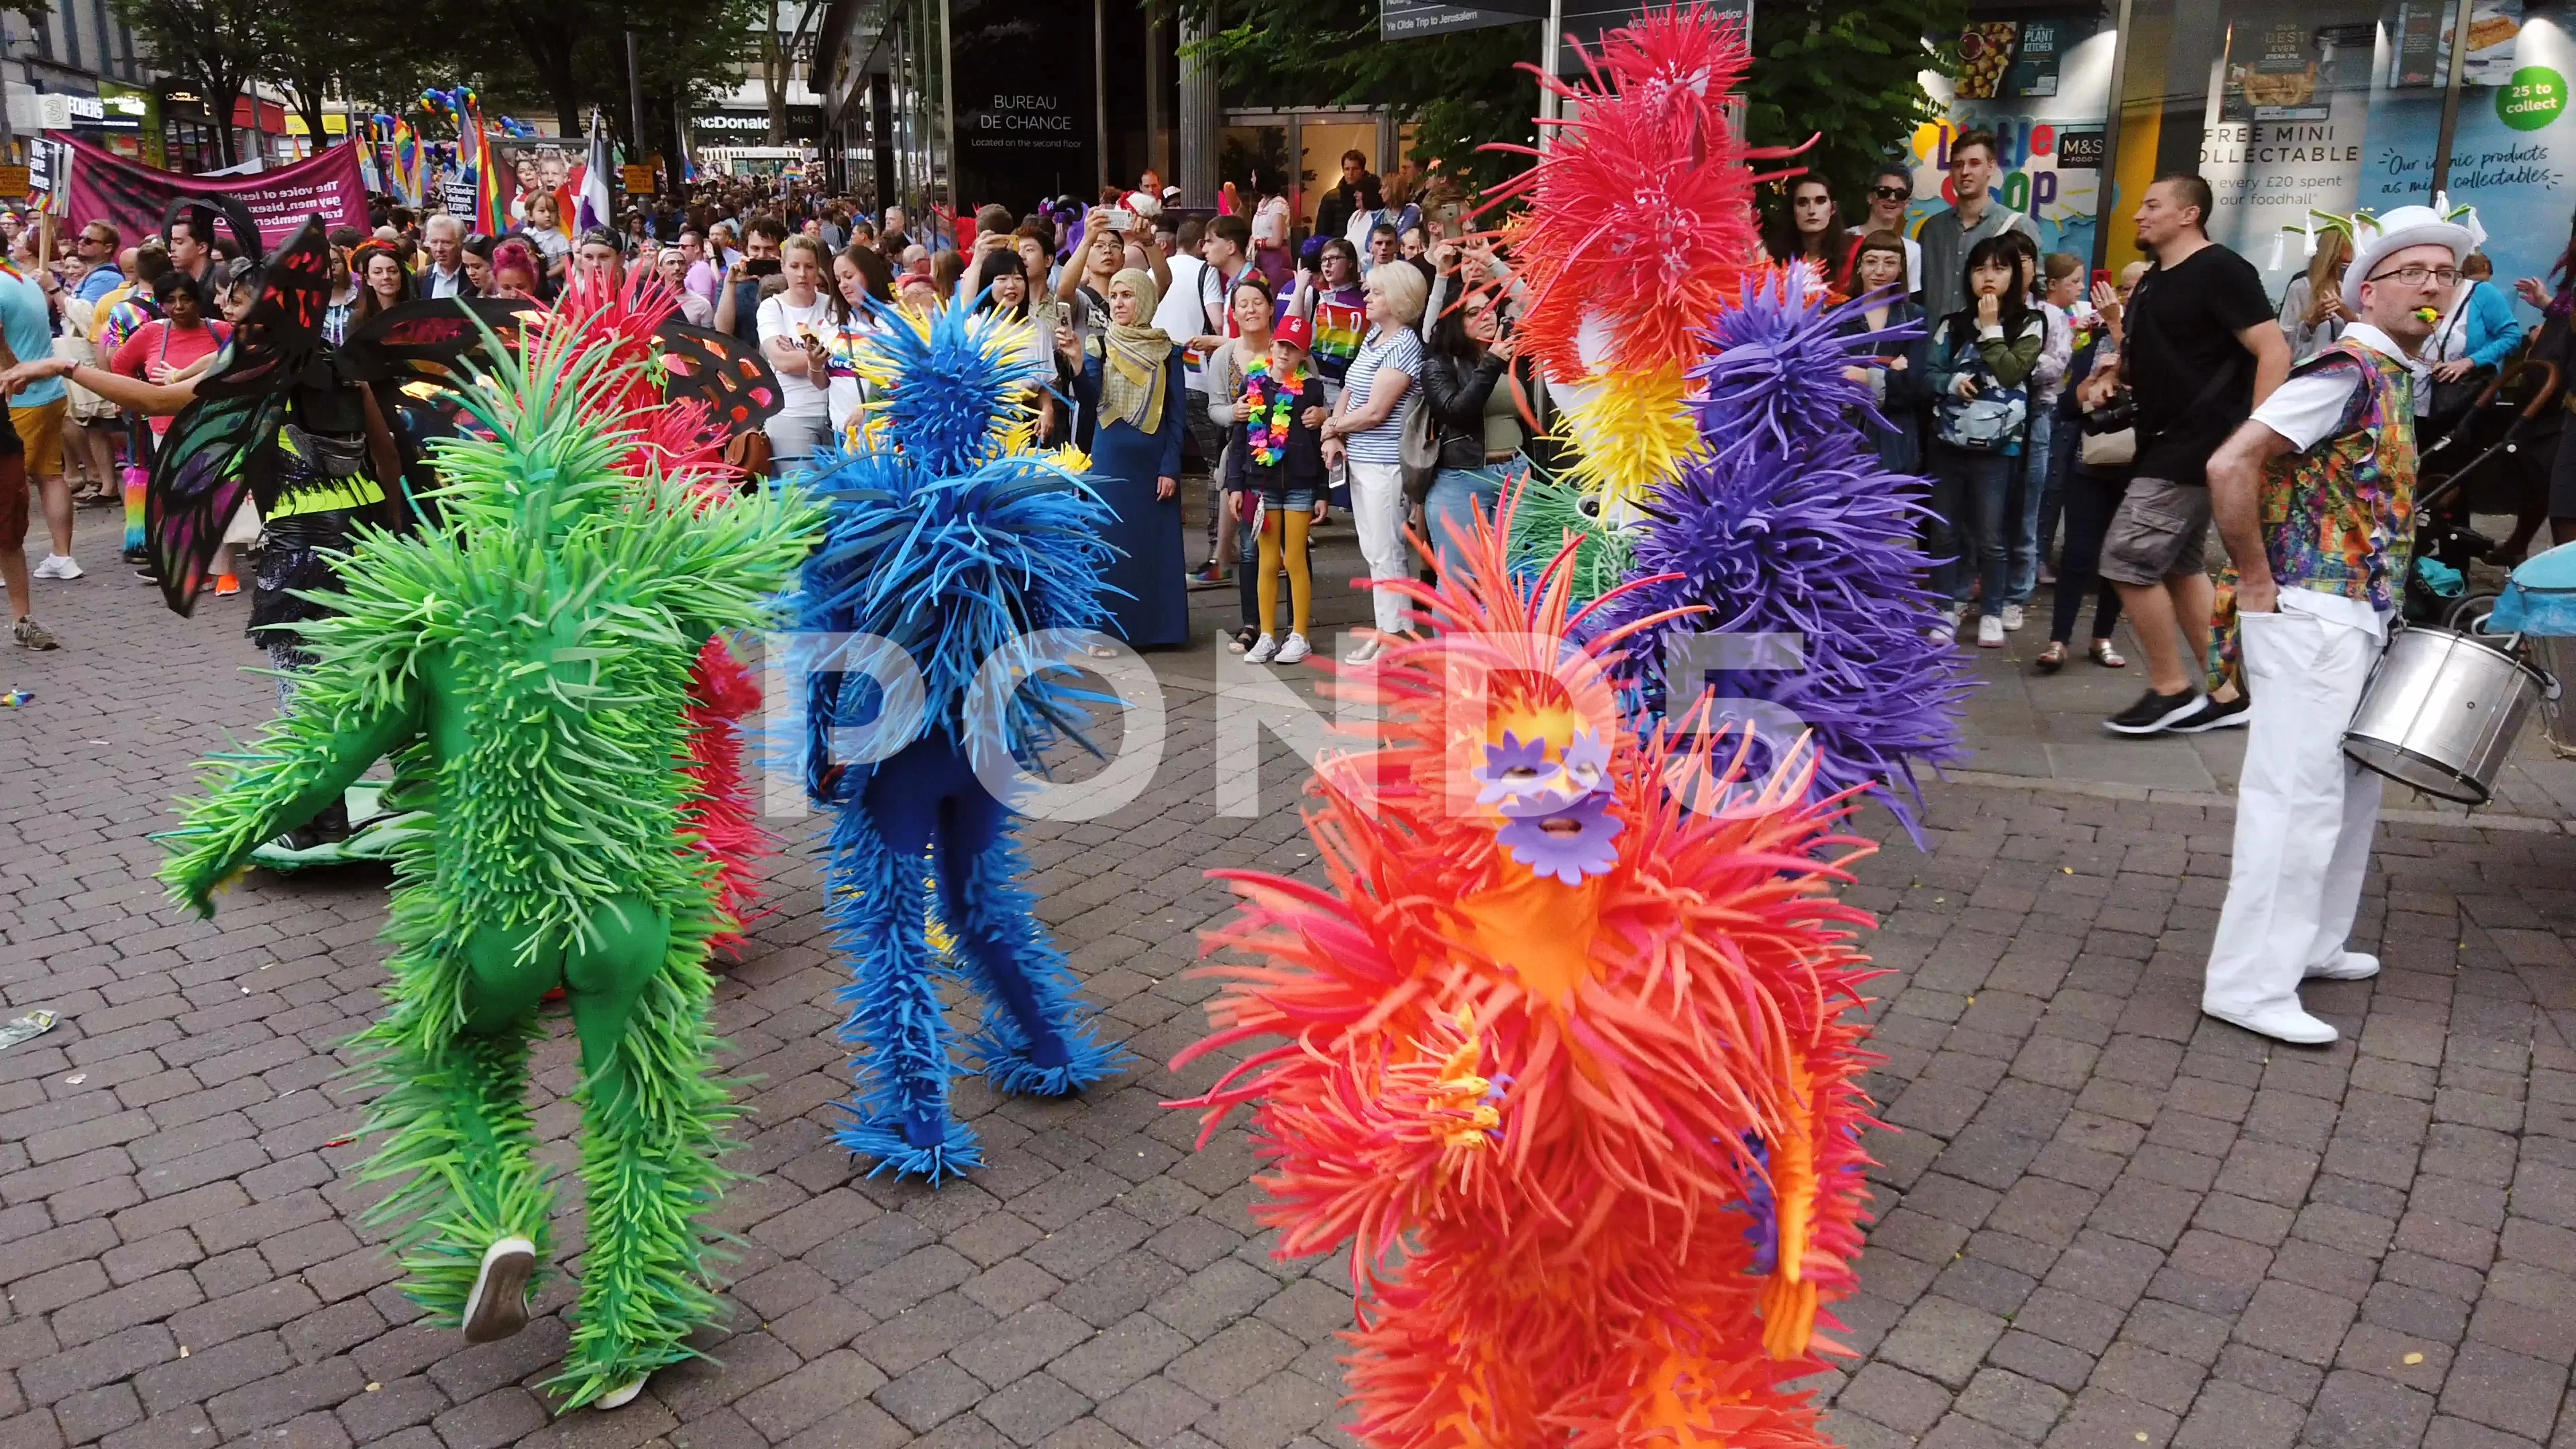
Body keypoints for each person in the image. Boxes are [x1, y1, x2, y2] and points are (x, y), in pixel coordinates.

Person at [2200, 205, 2476, 1045]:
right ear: (2368, 289)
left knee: (2349, 791)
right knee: (2297, 798)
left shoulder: (2389, 375)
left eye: (2444, 274)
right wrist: (2253, 577)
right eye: (2412, 273)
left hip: (2357, 612)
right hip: (2311, 611)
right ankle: (2249, 984)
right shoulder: (2346, 370)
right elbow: (2231, 461)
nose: (2432, 286)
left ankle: (2314, 944)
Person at [2085, 174, 2290, 735]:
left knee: (2126, 559)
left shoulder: (2222, 269)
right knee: (2177, 565)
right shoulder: (2153, 280)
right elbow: (2152, 356)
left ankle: (2171, 689)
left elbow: (2273, 349)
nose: (2138, 215)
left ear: (2189, 214)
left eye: (2152, 205)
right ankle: (2227, 694)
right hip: (2163, 438)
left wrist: (2258, 436)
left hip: (2201, 443)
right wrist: (2113, 376)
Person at [1925, 235, 2046, 647]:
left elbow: (2013, 372)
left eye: (1999, 268)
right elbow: (1928, 375)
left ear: (2015, 274)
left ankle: (1992, 611)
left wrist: (1993, 329)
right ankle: (1944, 609)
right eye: (1979, 269)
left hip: (1997, 450)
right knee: (1943, 532)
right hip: (1948, 444)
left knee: (1993, 535)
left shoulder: (2030, 323)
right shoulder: (1952, 324)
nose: (1988, 277)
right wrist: (1952, 382)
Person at [1059, 268, 1188, 648]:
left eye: (1128, 295)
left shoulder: (1168, 351)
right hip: (1111, 457)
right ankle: (1108, 631)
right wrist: (1078, 362)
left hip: (1153, 464)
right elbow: (1090, 398)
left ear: (1145, 300)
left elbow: (1177, 418)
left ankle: (1159, 631)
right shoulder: (1100, 345)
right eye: (1114, 296)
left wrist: (1171, 467)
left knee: (1153, 546)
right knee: (1109, 541)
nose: (1118, 303)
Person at [2039, 262, 2148, 674]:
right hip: (2091, 460)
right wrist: (2091, 389)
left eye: (2135, 288)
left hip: (2138, 465)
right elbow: (2066, 407)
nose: (2123, 296)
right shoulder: (2094, 337)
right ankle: (2058, 639)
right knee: (2078, 554)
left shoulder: (2160, 340)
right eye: (2121, 287)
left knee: (2119, 556)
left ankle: (2102, 636)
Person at [1319, 262, 1426, 663]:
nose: (1367, 296)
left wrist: (1333, 426)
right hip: (1362, 460)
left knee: (1386, 551)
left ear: (1398, 299)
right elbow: (1349, 388)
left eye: (1377, 292)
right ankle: (1392, 632)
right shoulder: (1374, 338)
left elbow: (1377, 411)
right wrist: (1336, 430)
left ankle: (1395, 636)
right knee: (1374, 549)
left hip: (1386, 464)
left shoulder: (1404, 345)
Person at [1228, 311, 1329, 664]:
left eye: (1294, 349)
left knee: (1295, 559)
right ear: (1272, 344)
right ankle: (1268, 635)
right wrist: (1236, 485)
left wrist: (1323, 492)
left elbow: (1320, 445)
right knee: (1267, 561)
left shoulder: (1312, 390)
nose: (1286, 353)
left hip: (1300, 485)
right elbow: (1239, 440)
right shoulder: (1252, 385)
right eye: (1282, 345)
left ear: (1305, 355)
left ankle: (1300, 635)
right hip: (1261, 484)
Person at [1204, 275, 1281, 649]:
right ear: (1233, 313)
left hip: (1287, 463)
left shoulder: (1288, 349)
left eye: (1257, 302)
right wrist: (1232, 412)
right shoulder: (1224, 356)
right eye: (1243, 304)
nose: (1250, 310)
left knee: (1290, 546)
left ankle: (1298, 626)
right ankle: (1252, 624)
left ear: (1270, 308)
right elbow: (1213, 408)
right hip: (1242, 463)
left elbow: (1313, 395)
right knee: (1251, 546)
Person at [1419, 287, 1512, 577]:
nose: (1488, 316)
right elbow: (1456, 412)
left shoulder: (1513, 357)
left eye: (1492, 308)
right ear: (1455, 322)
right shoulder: (1438, 365)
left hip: (1516, 477)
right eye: (1474, 312)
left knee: (1517, 577)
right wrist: (1492, 363)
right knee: (1460, 581)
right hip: (1463, 478)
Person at [0, 241, 74, 592]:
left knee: (9, 486)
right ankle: (63, 556)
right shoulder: (22, 279)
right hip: (47, 392)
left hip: (18, 395)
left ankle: (6, 564)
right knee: (50, 475)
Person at [1916, 131, 2039, 324]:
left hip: (1991, 345)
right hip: (1933, 346)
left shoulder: (2018, 226)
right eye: (1958, 165)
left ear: (1991, 167)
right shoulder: (1932, 230)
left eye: (1974, 163)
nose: (1965, 172)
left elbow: (2036, 292)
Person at [1842, 231, 1926, 474]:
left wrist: (1864, 376)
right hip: (1844, 442)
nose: (1879, 271)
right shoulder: (1839, 317)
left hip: (1894, 446)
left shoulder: (1914, 317)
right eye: (1871, 261)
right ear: (1859, 267)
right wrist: (1889, 371)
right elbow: (1830, 378)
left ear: (1901, 269)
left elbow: (1917, 386)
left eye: (1889, 262)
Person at [2420, 251, 2520, 443]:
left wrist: (2470, 362)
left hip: (2458, 401)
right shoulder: (2416, 292)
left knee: (2453, 465)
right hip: (2410, 403)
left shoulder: (2482, 292)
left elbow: (2512, 338)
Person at [757, 233, 837, 470]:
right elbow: (782, 362)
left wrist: (804, 354)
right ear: (783, 267)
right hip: (791, 415)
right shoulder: (772, 307)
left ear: (817, 269)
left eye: (809, 266)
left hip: (836, 414)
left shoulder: (831, 304)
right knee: (804, 498)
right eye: (794, 266)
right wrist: (825, 353)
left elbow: (849, 353)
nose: (802, 274)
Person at [2278, 226, 2353, 362]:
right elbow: (2283, 349)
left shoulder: (2366, 289)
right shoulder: (2301, 288)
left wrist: (2351, 318)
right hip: (2310, 375)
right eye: (2343, 264)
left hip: (2354, 375)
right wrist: (2311, 323)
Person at [1766, 176, 1854, 293]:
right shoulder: (1772, 257)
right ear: (1792, 211)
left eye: (1820, 201)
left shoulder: (1855, 251)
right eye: (1802, 203)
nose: (1811, 210)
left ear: (1833, 208)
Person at [1845, 164, 1923, 295]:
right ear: (1870, 197)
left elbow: (1908, 297)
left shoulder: (1912, 249)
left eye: (1900, 194)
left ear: (1907, 203)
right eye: (1884, 192)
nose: (1892, 199)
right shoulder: (1845, 239)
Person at [713, 216, 788, 343]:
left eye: (769, 249)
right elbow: (723, 331)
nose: (762, 255)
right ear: (745, 249)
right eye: (755, 249)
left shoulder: (790, 280)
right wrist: (731, 284)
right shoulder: (730, 283)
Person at [350, 239, 411, 327]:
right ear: (368, 279)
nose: (386, 277)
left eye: (392, 271)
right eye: (378, 272)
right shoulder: (358, 319)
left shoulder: (415, 313)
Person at [1315, 150, 1372, 242]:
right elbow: (1321, 231)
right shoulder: (1331, 198)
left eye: (1355, 169)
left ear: (1362, 171)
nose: (1350, 173)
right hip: (1338, 247)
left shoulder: (1371, 196)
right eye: (1347, 169)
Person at [657, 247, 714, 326]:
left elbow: (707, 337)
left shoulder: (702, 304)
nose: (677, 268)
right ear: (660, 270)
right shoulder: (652, 301)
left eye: (682, 263)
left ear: (687, 268)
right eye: (671, 263)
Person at [70, 221, 123, 305]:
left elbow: (82, 313)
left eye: (88, 241)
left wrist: (54, 289)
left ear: (108, 248)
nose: (81, 243)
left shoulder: (107, 278)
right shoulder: (92, 274)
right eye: (80, 238)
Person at [421, 214, 470, 299]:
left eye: (446, 243)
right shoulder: (421, 277)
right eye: (434, 242)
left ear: (460, 244)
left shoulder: (472, 278)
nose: (439, 249)